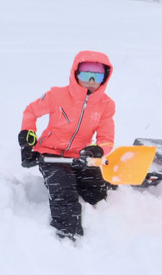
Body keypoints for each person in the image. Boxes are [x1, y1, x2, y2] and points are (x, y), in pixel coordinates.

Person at [18, 50, 116, 241]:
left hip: (81, 157)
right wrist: (27, 140)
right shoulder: (57, 95)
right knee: (63, 189)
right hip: (50, 154)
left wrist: (96, 150)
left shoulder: (106, 105)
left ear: (105, 78)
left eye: (97, 76)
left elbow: (106, 138)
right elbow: (30, 112)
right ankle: (67, 235)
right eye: (86, 74)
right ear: (75, 73)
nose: (91, 81)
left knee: (96, 194)